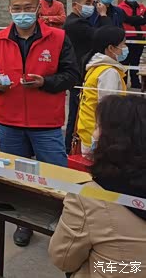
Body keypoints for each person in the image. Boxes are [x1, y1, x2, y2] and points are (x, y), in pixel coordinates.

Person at [0, 0, 79, 247]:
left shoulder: (58, 37)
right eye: (17, 8)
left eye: (28, 8)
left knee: (56, 177)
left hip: (46, 122)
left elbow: (72, 75)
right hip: (9, 121)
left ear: (38, 9)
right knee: (17, 178)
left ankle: (66, 226)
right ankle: (23, 224)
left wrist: (45, 82)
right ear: (10, 9)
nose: (22, 13)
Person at [49, 94, 146, 277]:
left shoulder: (89, 197)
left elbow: (63, 259)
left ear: (114, 140)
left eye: (97, 127)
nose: (93, 134)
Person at [63, 0, 113, 152]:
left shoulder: (80, 21)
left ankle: (70, 146)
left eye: (93, 3)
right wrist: (103, 15)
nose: (92, 7)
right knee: (77, 113)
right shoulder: (76, 24)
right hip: (79, 73)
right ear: (75, 5)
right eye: (88, 3)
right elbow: (107, 35)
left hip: (81, 71)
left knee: (77, 112)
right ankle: (70, 147)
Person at [75, 26, 127, 155]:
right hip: (99, 138)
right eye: (123, 44)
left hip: (88, 131)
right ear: (111, 48)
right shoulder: (109, 72)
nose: (125, 48)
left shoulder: (95, 67)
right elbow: (108, 110)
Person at [117, 0, 146, 89]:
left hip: (140, 37)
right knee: (124, 61)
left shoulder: (142, 7)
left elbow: (144, 20)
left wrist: (136, 19)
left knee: (135, 61)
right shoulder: (120, 8)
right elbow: (126, 19)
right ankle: (123, 83)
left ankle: (135, 82)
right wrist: (139, 18)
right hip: (126, 38)